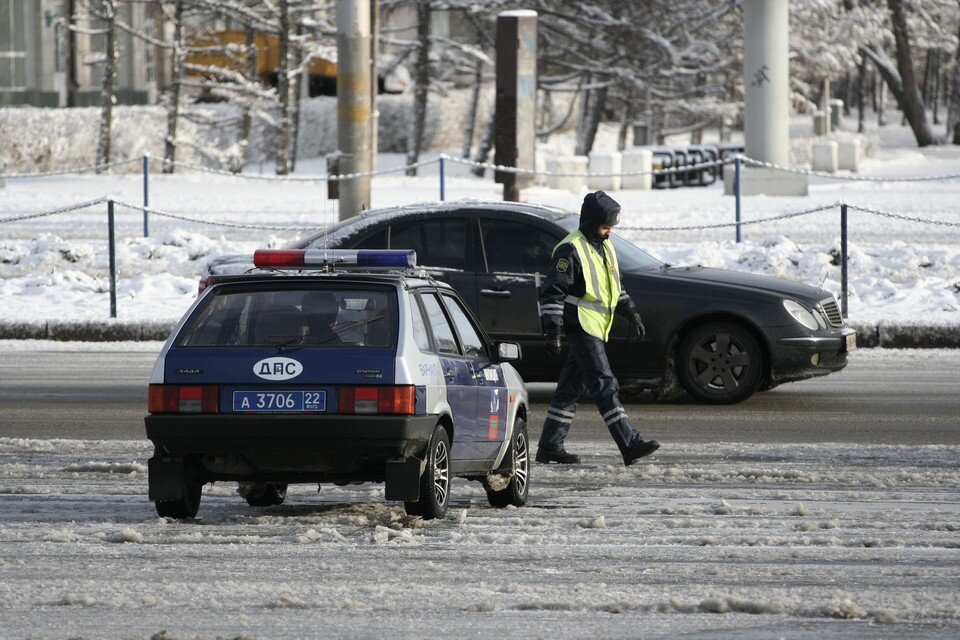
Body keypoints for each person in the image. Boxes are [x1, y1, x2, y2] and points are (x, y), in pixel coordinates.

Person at [536, 190, 660, 466]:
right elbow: (551, 293)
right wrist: (553, 331)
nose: (609, 233)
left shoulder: (603, 246)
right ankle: (630, 444)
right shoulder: (571, 249)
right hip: (581, 325)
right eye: (605, 227)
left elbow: (615, 285)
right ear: (592, 224)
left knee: (569, 389)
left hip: (595, 326)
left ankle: (549, 446)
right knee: (605, 384)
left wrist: (630, 311)